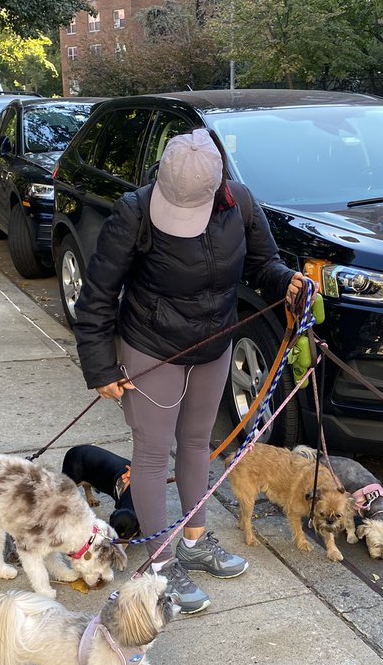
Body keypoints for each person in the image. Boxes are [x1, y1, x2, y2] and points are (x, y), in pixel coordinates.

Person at [72, 128, 305, 615]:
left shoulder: (239, 202)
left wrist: (287, 283)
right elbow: (97, 294)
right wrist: (99, 364)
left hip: (213, 344)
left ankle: (194, 542)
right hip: (149, 348)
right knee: (154, 453)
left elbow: (264, 263)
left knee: (198, 443)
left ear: (217, 188)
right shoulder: (134, 211)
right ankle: (158, 564)